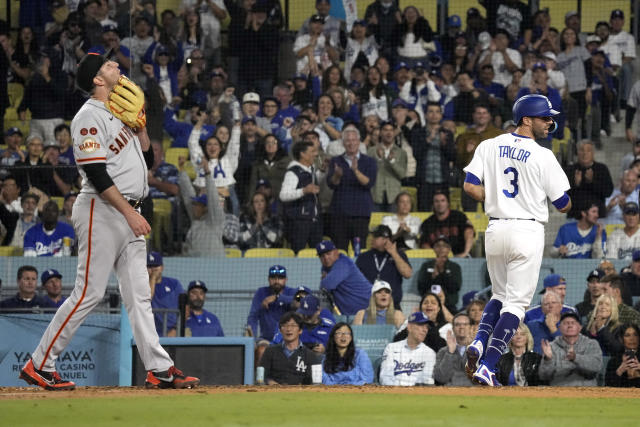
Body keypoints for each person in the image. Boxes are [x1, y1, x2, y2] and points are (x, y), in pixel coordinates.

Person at [19, 54, 199, 391]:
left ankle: (159, 369)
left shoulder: (120, 110)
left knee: (139, 294)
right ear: (97, 80)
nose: (115, 65)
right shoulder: (88, 116)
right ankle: (40, 364)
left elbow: (147, 160)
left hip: (130, 211)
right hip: (101, 209)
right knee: (89, 292)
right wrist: (130, 214)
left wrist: (142, 130)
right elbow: (97, 173)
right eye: (107, 66)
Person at [462, 94, 572, 386]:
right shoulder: (543, 155)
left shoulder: (488, 145)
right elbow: (563, 203)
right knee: (516, 306)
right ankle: (487, 364)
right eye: (544, 117)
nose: (550, 122)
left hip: (496, 229)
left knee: (499, 296)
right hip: (526, 231)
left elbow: (470, 187)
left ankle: (479, 341)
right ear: (526, 119)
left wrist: (497, 198)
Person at [326, 127, 377, 251]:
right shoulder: (336, 160)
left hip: (360, 213)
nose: (351, 143)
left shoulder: (369, 161)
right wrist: (337, 176)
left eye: (354, 140)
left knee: (359, 251)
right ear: (343, 143)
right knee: (339, 250)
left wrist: (355, 171)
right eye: (348, 140)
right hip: (339, 213)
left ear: (359, 142)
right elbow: (331, 184)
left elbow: (369, 183)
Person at [279, 140, 323, 253]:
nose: (315, 154)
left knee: (319, 256)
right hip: (299, 223)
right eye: (312, 151)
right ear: (302, 154)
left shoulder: (311, 170)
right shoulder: (293, 173)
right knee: (298, 255)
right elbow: (283, 195)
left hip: (314, 221)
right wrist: (304, 191)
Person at [355, 224, 412, 309]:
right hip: (368, 306)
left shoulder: (399, 255)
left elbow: (407, 274)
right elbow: (356, 281)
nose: (371, 239)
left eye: (375, 237)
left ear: (386, 240)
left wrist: (394, 253)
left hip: (393, 306)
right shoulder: (363, 257)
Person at [538, 312, 603, 386]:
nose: (570, 325)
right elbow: (544, 376)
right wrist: (548, 360)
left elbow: (596, 367)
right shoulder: (551, 347)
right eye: (566, 323)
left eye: (573, 323)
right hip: (560, 392)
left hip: (586, 391)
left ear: (580, 327)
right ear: (559, 328)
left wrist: (576, 358)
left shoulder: (591, 344)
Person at [177, 159, 226, 257]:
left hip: (217, 267)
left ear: (206, 208)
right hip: (197, 267)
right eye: (194, 204)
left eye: (197, 205)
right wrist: (182, 171)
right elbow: (187, 195)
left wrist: (207, 173)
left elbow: (213, 199)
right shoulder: (195, 221)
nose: (194, 207)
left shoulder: (215, 221)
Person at [259, 311, 323, 385]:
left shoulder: (310, 356)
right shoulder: (270, 351)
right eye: (285, 325)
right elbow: (261, 377)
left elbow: (316, 383)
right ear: (280, 330)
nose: (289, 329)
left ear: (300, 330)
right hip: (274, 392)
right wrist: (271, 383)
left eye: (293, 325)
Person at [379, 311, 437, 386]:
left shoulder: (429, 353)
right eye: (421, 325)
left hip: (417, 395)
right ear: (409, 327)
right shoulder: (391, 348)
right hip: (393, 393)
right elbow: (385, 377)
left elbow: (426, 380)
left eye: (426, 327)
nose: (425, 330)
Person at [317, 240, 372, 317]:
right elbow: (324, 288)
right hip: (351, 313)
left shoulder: (343, 263)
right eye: (322, 256)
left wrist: (324, 280)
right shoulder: (326, 268)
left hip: (366, 308)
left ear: (336, 252)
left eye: (328, 254)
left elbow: (327, 285)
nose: (326, 258)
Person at [247, 265, 297, 344]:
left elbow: (301, 302)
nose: (276, 281)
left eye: (280, 278)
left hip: (288, 339)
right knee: (261, 350)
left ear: (286, 279)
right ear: (268, 279)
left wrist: (277, 297)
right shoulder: (261, 292)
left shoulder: (292, 292)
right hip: (266, 339)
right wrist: (252, 339)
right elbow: (253, 317)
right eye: (273, 278)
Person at [565, 139, 613, 219]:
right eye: (582, 150)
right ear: (577, 153)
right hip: (575, 217)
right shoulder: (570, 170)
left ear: (593, 153)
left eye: (588, 151)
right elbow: (562, 195)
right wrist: (575, 184)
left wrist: (592, 182)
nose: (585, 154)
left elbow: (608, 192)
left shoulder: (602, 169)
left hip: (597, 217)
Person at [418, 191, 475, 258]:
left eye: (443, 201)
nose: (440, 204)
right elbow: (424, 244)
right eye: (436, 201)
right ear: (433, 204)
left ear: (448, 203)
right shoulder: (428, 223)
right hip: (437, 259)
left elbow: (470, 232)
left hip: (460, 256)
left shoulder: (458, 216)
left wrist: (465, 253)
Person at [368, 120, 407, 212]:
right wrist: (379, 160)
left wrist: (392, 161)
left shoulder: (401, 152)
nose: (388, 133)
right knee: (375, 225)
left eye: (391, 130)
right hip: (376, 195)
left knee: (392, 225)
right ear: (381, 133)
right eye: (385, 130)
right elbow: (368, 173)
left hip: (393, 197)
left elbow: (402, 175)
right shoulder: (371, 151)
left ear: (394, 133)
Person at [417, 234, 462, 313]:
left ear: (449, 249)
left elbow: (456, 286)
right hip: (429, 306)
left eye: (444, 246)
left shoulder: (455, 267)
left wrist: (442, 273)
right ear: (434, 249)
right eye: (438, 246)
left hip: (449, 306)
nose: (441, 248)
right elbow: (421, 287)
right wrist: (432, 277)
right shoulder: (426, 265)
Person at [147, 251, 184, 337]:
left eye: (156, 266)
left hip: (173, 332)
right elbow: (146, 300)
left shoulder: (174, 284)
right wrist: (153, 279)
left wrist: (175, 328)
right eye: (149, 266)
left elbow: (185, 308)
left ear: (162, 267)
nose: (153, 269)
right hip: (150, 333)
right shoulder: (140, 285)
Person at [433, 313, 474, 386]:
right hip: (449, 393)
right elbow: (440, 378)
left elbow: (480, 378)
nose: (461, 327)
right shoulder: (443, 351)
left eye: (465, 324)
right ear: (453, 329)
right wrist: (450, 353)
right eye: (458, 324)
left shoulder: (480, 350)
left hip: (475, 393)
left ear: (471, 328)